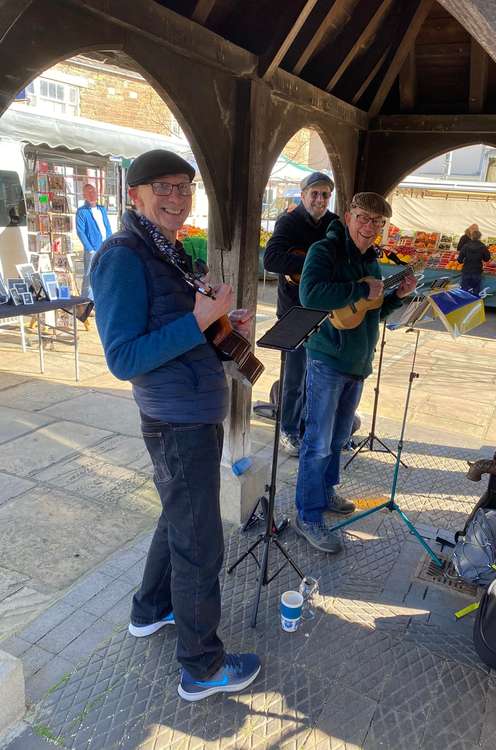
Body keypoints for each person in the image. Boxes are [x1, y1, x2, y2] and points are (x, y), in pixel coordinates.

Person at [90, 149, 261, 702]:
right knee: (200, 542)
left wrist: (219, 325)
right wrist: (197, 321)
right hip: (175, 419)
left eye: (185, 186)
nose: (176, 196)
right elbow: (122, 358)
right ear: (134, 195)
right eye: (162, 186)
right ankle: (202, 667)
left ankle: (151, 609)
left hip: (194, 409)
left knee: (177, 518)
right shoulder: (122, 256)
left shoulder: (168, 250)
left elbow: (178, 329)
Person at [294, 193, 417, 554]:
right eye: (364, 218)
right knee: (316, 443)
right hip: (328, 359)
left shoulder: (372, 260)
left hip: (358, 362)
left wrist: (399, 297)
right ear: (349, 216)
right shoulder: (325, 250)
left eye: (377, 223)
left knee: (338, 438)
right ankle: (308, 516)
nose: (369, 227)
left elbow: (371, 311)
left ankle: (326, 491)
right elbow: (310, 294)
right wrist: (359, 288)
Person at [263, 171, 338, 457]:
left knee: (317, 372)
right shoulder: (289, 221)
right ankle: (288, 430)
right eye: (314, 193)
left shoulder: (334, 224)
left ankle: (309, 425)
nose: (319, 199)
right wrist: (311, 260)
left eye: (325, 195)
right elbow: (271, 259)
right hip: (293, 309)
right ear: (303, 194)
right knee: (294, 376)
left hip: (324, 309)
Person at [76, 183, 112, 299]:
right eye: (89, 192)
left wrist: (110, 241)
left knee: (105, 273)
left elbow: (107, 227)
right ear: (84, 195)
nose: (92, 194)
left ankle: (100, 299)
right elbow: (80, 232)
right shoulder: (82, 212)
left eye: (94, 192)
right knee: (89, 276)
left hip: (105, 247)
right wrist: (89, 248)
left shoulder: (102, 209)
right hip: (92, 249)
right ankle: (86, 302)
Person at [457, 228, 491, 296]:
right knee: (475, 291)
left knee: (464, 291)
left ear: (471, 236)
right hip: (477, 271)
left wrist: (464, 259)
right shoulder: (483, 246)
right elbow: (487, 259)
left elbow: (459, 260)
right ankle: (474, 304)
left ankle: (464, 305)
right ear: (480, 237)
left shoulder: (466, 246)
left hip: (466, 270)